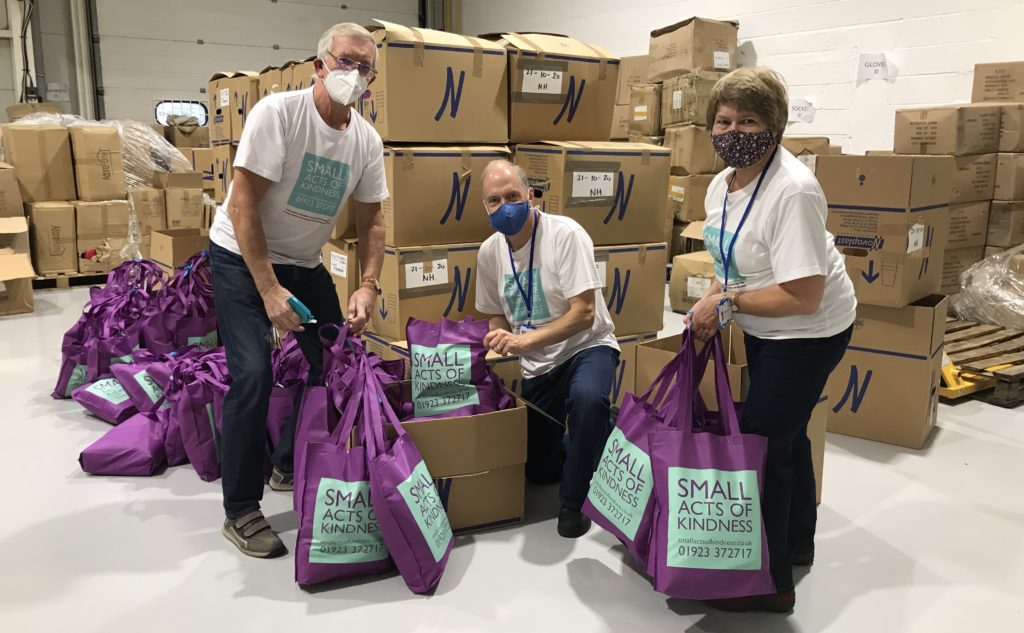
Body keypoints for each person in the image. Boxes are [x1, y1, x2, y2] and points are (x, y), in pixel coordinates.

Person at [208, 23, 388, 558]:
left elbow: (373, 220)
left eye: (364, 67)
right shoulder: (278, 115)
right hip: (241, 257)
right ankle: (240, 508)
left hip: (304, 263)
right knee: (254, 373)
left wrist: (368, 286)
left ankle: (288, 463)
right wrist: (267, 290)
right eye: (344, 61)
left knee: (337, 361)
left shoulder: (366, 141)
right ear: (318, 65)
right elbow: (243, 206)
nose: (352, 74)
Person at [685, 67, 857, 613]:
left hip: (808, 332)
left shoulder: (794, 191)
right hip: (764, 326)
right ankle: (796, 541)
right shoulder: (724, 182)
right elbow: (724, 253)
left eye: (749, 120)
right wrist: (714, 294)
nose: (733, 130)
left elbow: (804, 295)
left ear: (775, 126)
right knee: (788, 435)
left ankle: (770, 584)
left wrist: (727, 303)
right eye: (724, 120)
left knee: (762, 445)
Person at [475, 160, 620, 539]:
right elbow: (493, 315)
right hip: (537, 366)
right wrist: (498, 336)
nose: (504, 205)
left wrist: (521, 341)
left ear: (530, 196)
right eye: (494, 200)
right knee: (539, 471)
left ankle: (573, 507)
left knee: (588, 399)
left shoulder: (565, 235)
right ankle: (601, 434)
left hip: (586, 347)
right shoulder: (489, 253)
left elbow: (584, 314)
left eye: (512, 196)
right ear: (484, 207)